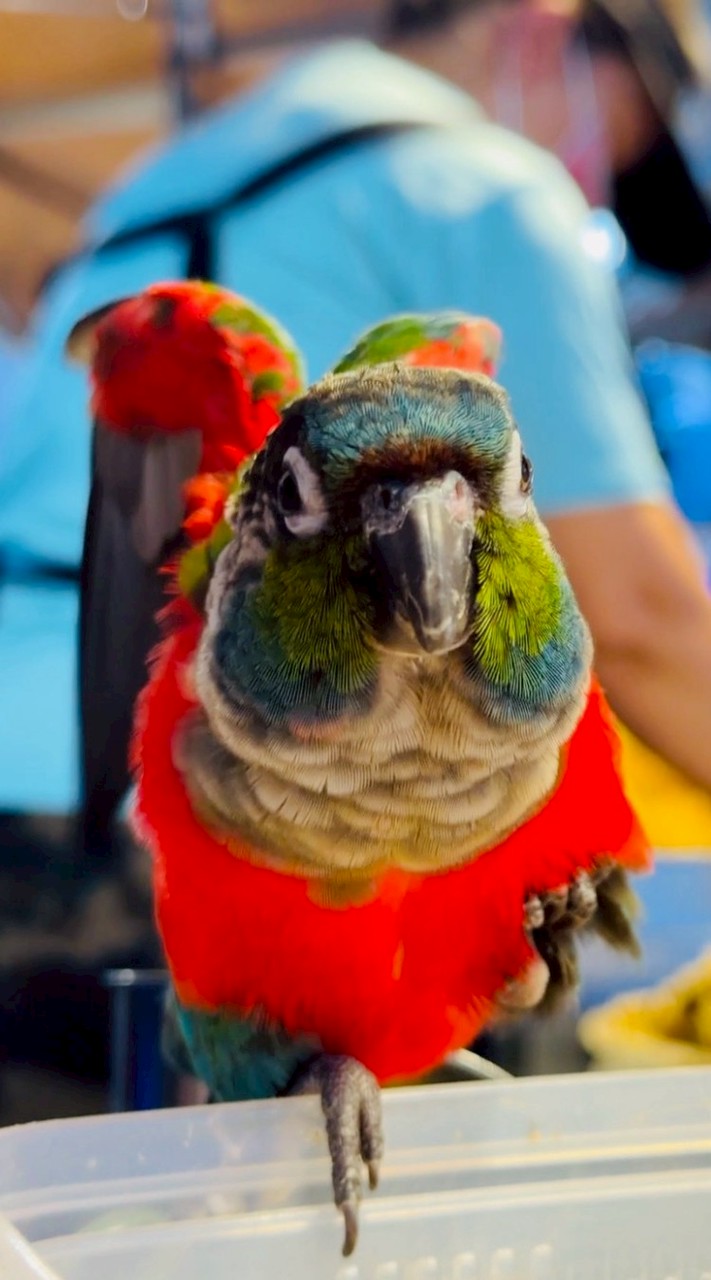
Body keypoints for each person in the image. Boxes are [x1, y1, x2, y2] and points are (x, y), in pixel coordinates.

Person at [2, 0, 711, 831]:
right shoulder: (486, 185)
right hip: (194, 804)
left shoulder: (155, 182)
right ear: (541, 22)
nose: (593, 189)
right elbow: (636, 620)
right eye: (612, 134)